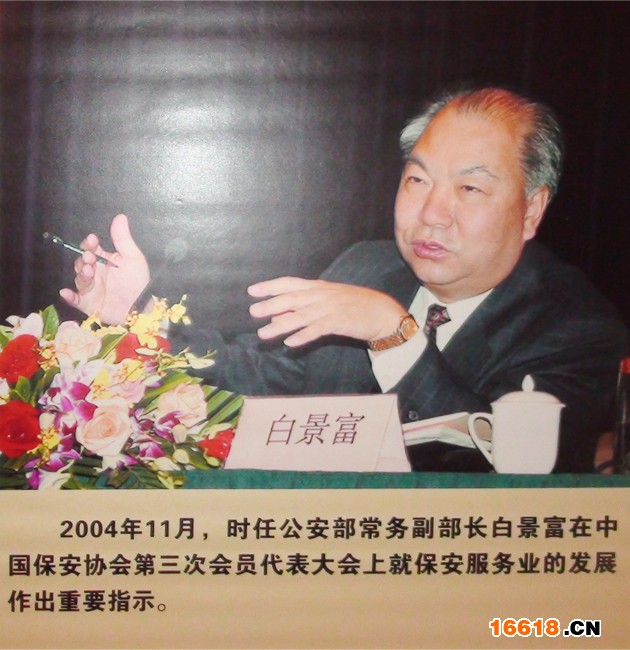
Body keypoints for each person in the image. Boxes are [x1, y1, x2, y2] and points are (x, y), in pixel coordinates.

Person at [60, 86, 627, 473]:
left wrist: (395, 336)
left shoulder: (577, 327)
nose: (433, 213)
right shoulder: (368, 267)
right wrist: (136, 319)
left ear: (530, 211)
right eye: (418, 180)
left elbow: (507, 476)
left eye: (470, 189)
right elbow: (261, 375)